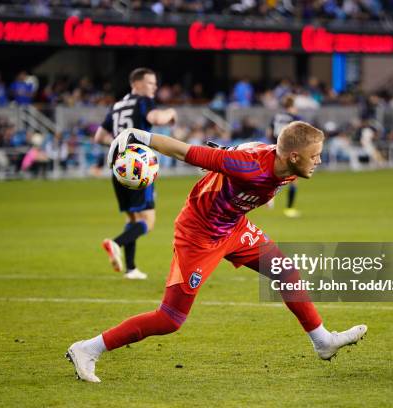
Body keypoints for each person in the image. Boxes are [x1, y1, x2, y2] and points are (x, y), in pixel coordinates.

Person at [66, 122, 367, 382]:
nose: (319, 161)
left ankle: (323, 341)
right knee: (170, 319)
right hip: (198, 235)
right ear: (293, 155)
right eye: (315, 156)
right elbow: (185, 152)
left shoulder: (286, 164)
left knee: (285, 271)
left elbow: (244, 149)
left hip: (233, 228)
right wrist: (138, 135)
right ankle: (88, 349)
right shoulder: (249, 166)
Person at [94, 68, 177, 280]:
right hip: (139, 166)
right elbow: (156, 118)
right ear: (137, 84)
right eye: (151, 83)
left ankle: (130, 269)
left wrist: (119, 143)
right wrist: (171, 114)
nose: (154, 88)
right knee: (148, 221)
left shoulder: (117, 106)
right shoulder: (142, 101)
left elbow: (99, 136)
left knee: (132, 218)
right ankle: (116, 243)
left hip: (118, 166)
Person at [267, 95, 302, 218]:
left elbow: (269, 132)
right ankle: (289, 209)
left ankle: (269, 195)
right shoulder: (295, 118)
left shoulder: (276, 117)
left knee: (276, 175)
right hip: (288, 150)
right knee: (293, 179)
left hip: (274, 148)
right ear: (292, 106)